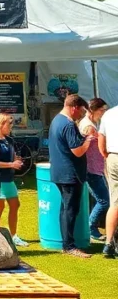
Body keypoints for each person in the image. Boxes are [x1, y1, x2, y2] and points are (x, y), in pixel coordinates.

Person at [49, 94, 97, 257]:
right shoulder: (68, 124)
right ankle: (69, 246)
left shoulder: (57, 120)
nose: (82, 114)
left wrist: (81, 138)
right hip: (69, 174)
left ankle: (66, 243)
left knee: (65, 208)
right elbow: (77, 151)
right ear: (74, 108)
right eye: (82, 111)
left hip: (60, 172)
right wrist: (88, 140)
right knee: (70, 209)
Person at [0, 113, 28, 246]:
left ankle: (13, 236)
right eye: (9, 124)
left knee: (15, 205)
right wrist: (11, 164)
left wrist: (17, 161)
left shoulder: (9, 140)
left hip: (9, 179)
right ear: (1, 124)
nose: (11, 126)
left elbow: (13, 157)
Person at [81, 98, 110, 241]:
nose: (103, 113)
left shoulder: (90, 124)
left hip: (94, 168)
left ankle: (92, 226)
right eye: (102, 110)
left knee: (98, 199)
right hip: (92, 169)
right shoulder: (89, 127)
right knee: (104, 201)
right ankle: (91, 227)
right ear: (94, 110)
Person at [98, 102, 118, 258]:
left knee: (115, 202)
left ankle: (108, 243)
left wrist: (106, 155)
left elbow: (101, 139)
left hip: (112, 157)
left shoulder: (109, 114)